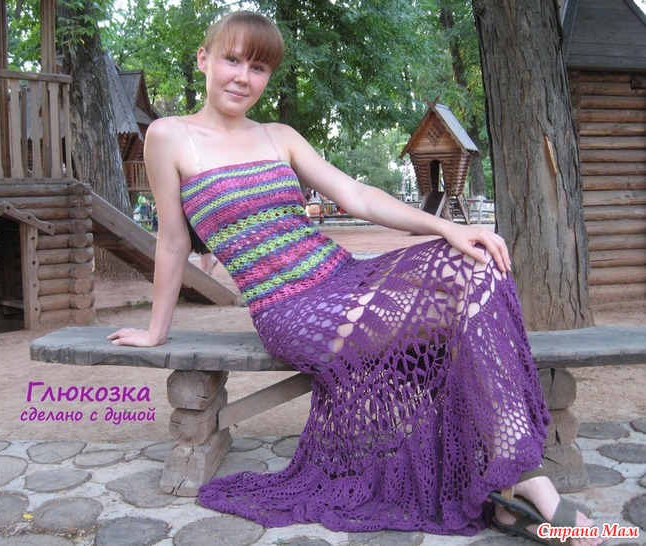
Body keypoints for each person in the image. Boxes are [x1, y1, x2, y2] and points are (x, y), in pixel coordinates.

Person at [108, 11, 602, 544]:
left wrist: (449, 227)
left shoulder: (278, 136)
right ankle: (523, 483)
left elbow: (358, 196)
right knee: (461, 311)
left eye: (258, 67)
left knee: (476, 264)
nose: (243, 77)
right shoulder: (169, 136)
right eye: (232, 60)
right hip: (289, 308)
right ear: (204, 59)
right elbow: (173, 240)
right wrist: (156, 330)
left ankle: (514, 478)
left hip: (344, 275)